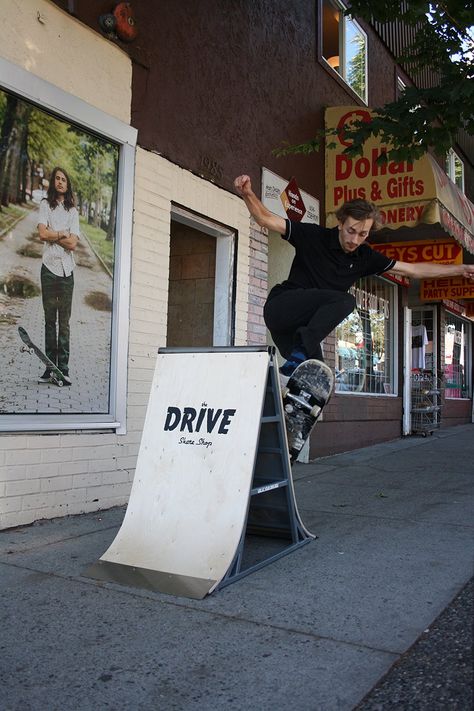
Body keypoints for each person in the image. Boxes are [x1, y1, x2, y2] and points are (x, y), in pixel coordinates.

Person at [234, 174, 474, 378]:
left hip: (295, 334)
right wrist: (247, 194)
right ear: (340, 223)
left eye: (362, 234)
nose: (354, 240)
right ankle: (300, 353)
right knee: (345, 300)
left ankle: (294, 425)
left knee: (317, 379)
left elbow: (412, 269)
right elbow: (265, 218)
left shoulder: (365, 257)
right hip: (281, 308)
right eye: (351, 231)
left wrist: (460, 269)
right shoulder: (313, 236)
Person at [37, 167, 80, 386]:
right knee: (49, 320)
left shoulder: (73, 211)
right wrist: (62, 233)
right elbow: (42, 233)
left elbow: (73, 244)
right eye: (57, 178)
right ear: (53, 182)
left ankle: (63, 369)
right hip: (49, 270)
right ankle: (49, 367)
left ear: (67, 184)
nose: (61, 182)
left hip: (67, 273)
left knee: (64, 323)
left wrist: (55, 235)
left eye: (64, 179)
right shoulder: (45, 205)